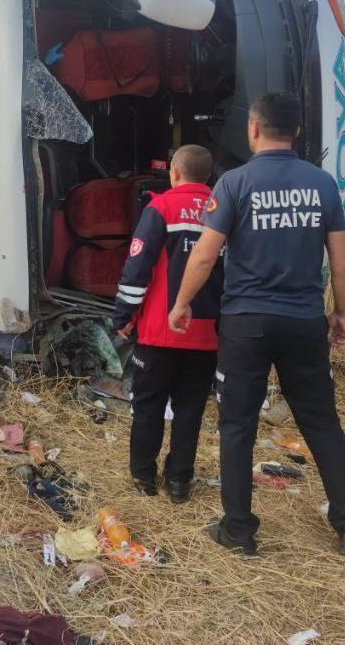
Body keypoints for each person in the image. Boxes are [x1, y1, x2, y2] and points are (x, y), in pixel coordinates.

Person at [170, 91, 345, 558]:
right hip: (302, 321)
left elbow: (205, 253)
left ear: (252, 129)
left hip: (246, 324)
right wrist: (342, 313)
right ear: (296, 131)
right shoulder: (321, 185)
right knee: (322, 423)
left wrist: (181, 303)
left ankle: (239, 529)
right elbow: (342, 263)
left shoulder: (234, 183)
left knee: (237, 425)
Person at [111, 145, 222, 504]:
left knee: (148, 406)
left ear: (174, 173)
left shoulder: (160, 208)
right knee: (189, 410)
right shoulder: (223, 210)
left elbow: (137, 269)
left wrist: (124, 317)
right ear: (208, 177)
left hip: (159, 333)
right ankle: (179, 482)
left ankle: (144, 477)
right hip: (206, 335)